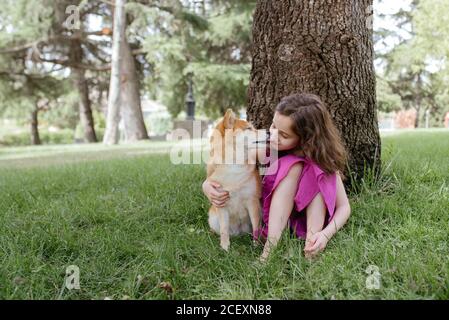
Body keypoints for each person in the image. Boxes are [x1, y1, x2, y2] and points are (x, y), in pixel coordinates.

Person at [202, 93, 351, 261]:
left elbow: (344, 207)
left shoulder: (323, 161)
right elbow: (224, 166)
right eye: (273, 126)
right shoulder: (267, 150)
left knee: (316, 169)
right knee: (293, 166)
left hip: (308, 221)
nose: (273, 136)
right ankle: (269, 249)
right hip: (276, 221)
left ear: (306, 139)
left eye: (284, 135)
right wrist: (207, 185)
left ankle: (312, 242)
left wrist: (326, 234)